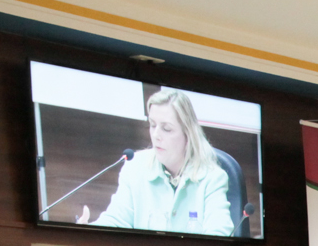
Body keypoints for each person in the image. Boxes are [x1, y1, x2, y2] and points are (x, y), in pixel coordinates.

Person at [78, 88, 234, 236]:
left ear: (188, 134)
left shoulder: (212, 178)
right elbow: (117, 221)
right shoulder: (134, 167)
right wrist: (90, 233)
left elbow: (220, 235)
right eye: (152, 125)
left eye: (166, 129)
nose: (156, 135)